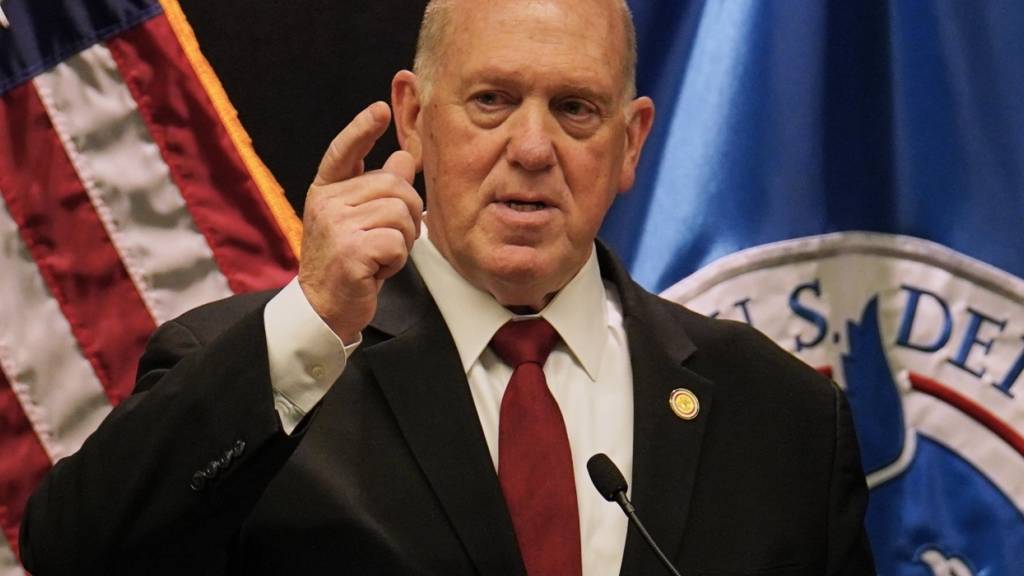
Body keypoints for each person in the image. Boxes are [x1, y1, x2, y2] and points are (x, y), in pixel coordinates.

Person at [20, 0, 875, 574]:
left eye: (575, 109)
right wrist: (313, 320)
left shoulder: (784, 418)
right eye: (493, 100)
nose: (533, 149)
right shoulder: (265, 369)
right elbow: (69, 552)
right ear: (416, 118)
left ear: (632, 142)